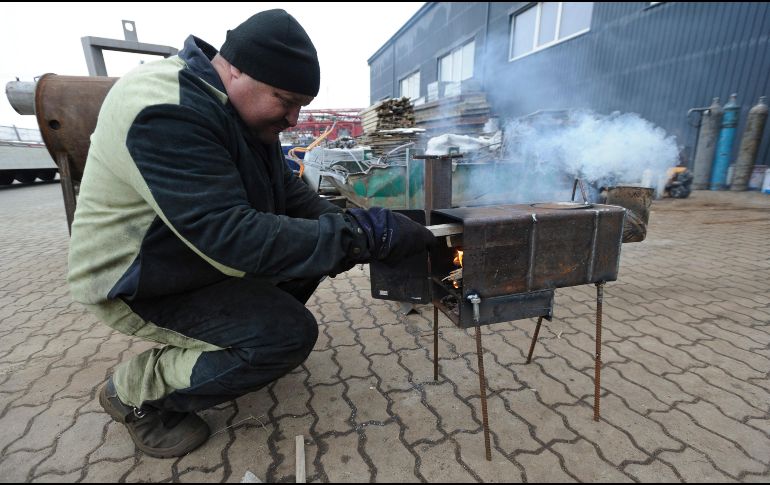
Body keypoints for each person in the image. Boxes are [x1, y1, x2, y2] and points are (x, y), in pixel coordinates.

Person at [67, 9, 434, 458]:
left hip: (187, 256)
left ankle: (238, 345)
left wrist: (354, 230)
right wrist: (361, 237)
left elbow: (287, 190)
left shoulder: (236, 109)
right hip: (137, 277)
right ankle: (135, 394)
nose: (294, 118)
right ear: (236, 70)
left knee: (309, 258)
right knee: (286, 334)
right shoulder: (165, 109)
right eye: (286, 100)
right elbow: (231, 239)